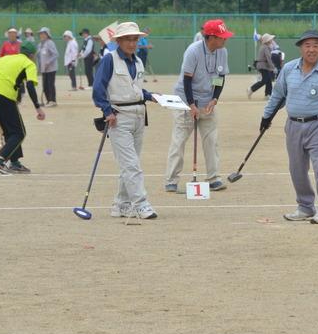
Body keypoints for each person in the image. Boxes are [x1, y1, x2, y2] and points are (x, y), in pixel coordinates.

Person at [260, 29, 318, 224]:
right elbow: (278, 95)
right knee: (296, 169)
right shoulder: (288, 69)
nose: (311, 49)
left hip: (317, 125)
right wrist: (266, 116)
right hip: (293, 125)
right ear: (301, 48)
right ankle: (305, 207)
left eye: (316, 46)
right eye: (307, 45)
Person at [92, 21, 159, 220]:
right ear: (119, 41)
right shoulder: (109, 60)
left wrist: (150, 96)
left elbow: (136, 89)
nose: (132, 43)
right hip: (118, 117)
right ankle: (141, 204)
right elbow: (98, 89)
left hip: (139, 115)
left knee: (130, 164)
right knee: (131, 165)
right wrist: (107, 111)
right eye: (128, 39)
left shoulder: (138, 62)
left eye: (135, 39)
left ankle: (121, 205)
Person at [164, 19, 233, 193]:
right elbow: (187, 79)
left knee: (211, 140)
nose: (225, 39)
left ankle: (213, 177)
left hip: (207, 101)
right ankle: (171, 180)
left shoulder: (222, 51)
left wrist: (215, 98)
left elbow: (220, 77)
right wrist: (191, 105)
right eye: (222, 36)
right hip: (185, 101)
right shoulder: (193, 51)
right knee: (179, 140)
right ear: (211, 37)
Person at [0, 41, 46, 174]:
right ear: (32, 55)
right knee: (19, 133)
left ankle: (15, 163)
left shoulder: (3, 59)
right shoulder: (29, 63)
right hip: (4, 96)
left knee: (9, 131)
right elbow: (29, 85)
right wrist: (38, 107)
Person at [247, 33, 276, 99]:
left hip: (264, 66)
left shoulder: (265, 47)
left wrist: (271, 67)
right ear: (267, 41)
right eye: (270, 39)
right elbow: (268, 58)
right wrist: (273, 67)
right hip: (263, 66)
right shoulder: (265, 47)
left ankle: (268, 94)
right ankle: (251, 89)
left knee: (268, 80)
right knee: (264, 80)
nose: (272, 40)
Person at [37, 27, 59, 107]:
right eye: (40, 34)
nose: (41, 35)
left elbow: (56, 54)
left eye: (43, 33)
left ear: (47, 34)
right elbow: (39, 57)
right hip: (44, 69)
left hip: (51, 68)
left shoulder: (50, 43)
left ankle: (53, 100)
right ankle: (48, 100)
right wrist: (39, 67)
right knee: (45, 85)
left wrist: (48, 62)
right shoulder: (40, 44)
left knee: (50, 84)